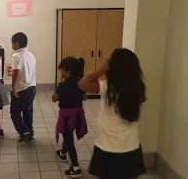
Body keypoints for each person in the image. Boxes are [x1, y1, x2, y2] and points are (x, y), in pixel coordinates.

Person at [78, 48, 146, 179]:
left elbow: (82, 84)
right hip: (131, 145)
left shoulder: (108, 86)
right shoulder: (138, 86)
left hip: (108, 147)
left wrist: (102, 69)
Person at [52, 57, 88, 178]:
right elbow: (84, 98)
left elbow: (54, 99)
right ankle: (62, 153)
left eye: (62, 70)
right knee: (68, 134)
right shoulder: (81, 83)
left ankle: (76, 168)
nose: (61, 72)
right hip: (78, 114)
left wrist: (58, 90)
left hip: (67, 116)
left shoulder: (62, 85)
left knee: (68, 139)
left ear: (69, 72)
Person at [10, 32, 36, 142]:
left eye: (12, 43)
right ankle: (30, 132)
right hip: (32, 88)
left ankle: (24, 131)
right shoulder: (31, 55)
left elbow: (15, 71)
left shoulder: (16, 55)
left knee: (15, 112)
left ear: (16, 43)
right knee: (27, 112)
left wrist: (13, 87)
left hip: (21, 89)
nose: (11, 45)